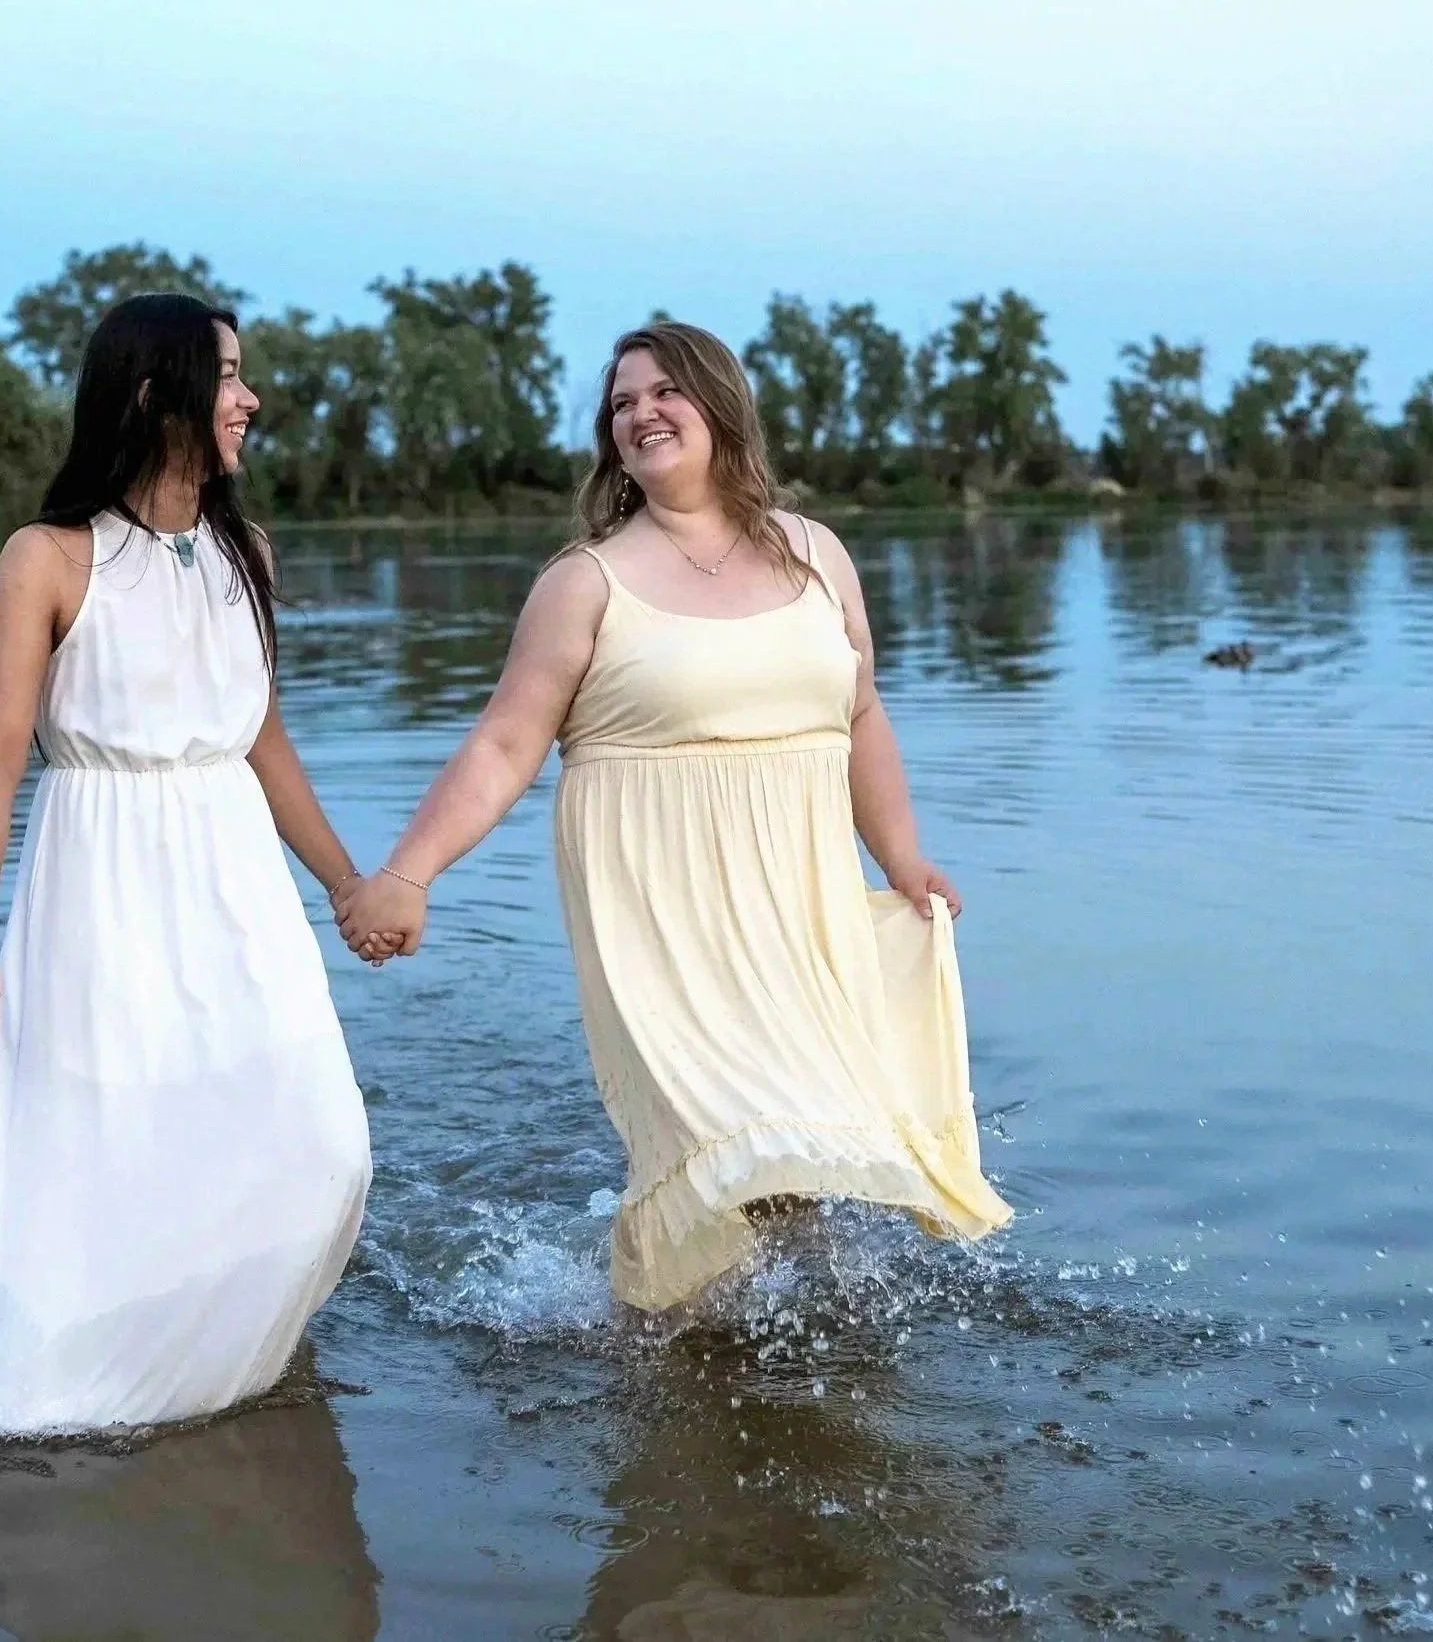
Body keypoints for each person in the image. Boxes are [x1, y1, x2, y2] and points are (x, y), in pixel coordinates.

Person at [336, 321, 1011, 1315]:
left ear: (720, 403)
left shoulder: (818, 556)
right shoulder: (585, 582)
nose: (641, 412)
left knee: (807, 1134)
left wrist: (903, 856)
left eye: (664, 392)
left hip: (797, 899)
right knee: (732, 1135)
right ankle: (652, 1326)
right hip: (664, 911)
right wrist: (408, 870)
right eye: (621, 402)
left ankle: (769, 1349)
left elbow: (861, 711)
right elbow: (503, 745)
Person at [0, 293, 373, 1438]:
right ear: (156, 394)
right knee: (113, 1138)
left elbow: (263, 736)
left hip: (235, 874)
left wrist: (343, 880)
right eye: (229, 375)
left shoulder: (249, 549)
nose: (249, 398)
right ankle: (86, 1389)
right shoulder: (47, 556)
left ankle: (226, 1361)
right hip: (102, 867)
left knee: (326, 1145)